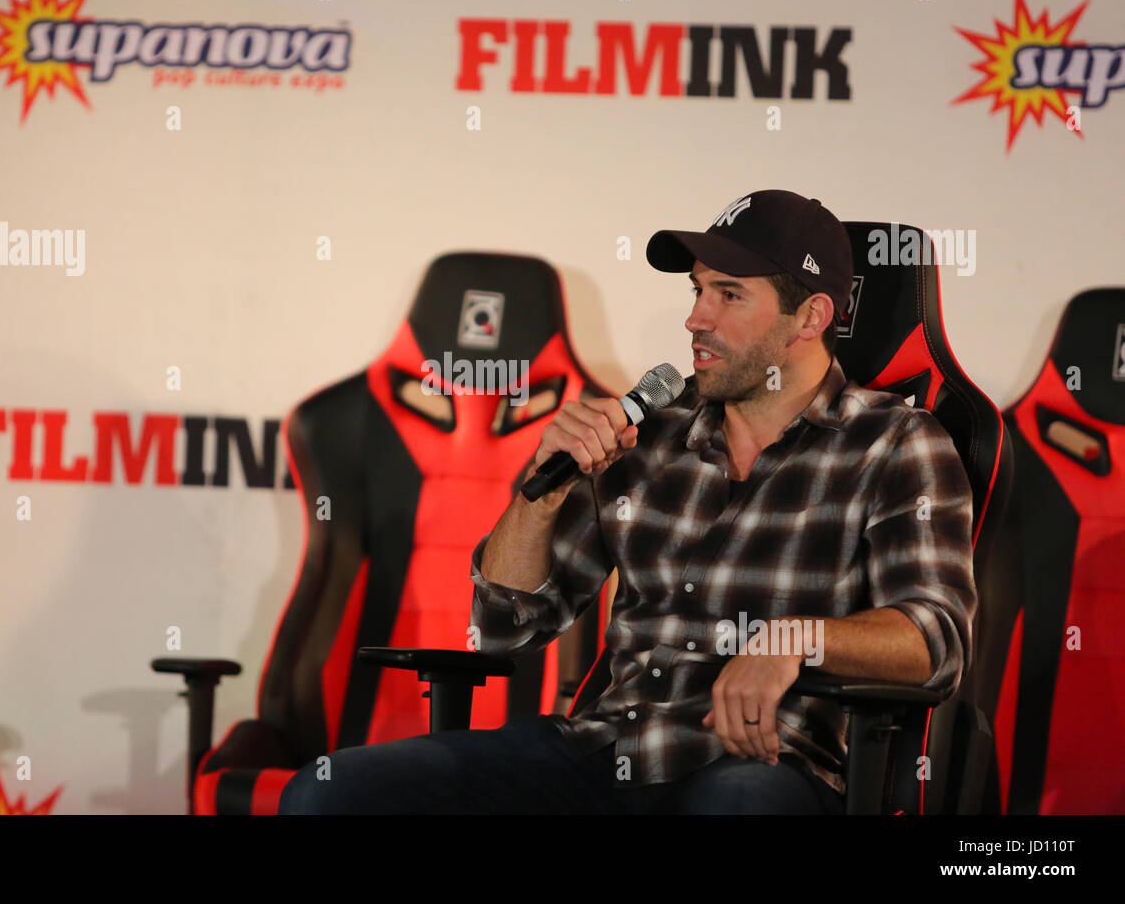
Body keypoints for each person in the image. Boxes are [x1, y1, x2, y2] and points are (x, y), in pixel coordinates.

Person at [279, 189, 976, 814]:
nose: (695, 319)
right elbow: (505, 627)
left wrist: (793, 641)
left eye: (729, 295)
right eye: (697, 290)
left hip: (766, 765)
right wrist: (539, 491)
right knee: (327, 792)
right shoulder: (648, 436)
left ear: (810, 317)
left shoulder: (895, 444)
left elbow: (935, 639)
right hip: (600, 751)